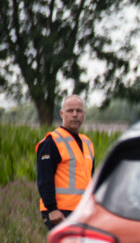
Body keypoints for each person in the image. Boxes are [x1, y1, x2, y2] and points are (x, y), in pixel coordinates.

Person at [36, 95, 96, 228]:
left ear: (84, 114)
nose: (75, 115)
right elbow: (44, 179)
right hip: (60, 213)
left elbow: (90, 179)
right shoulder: (51, 142)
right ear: (62, 114)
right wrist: (52, 209)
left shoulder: (87, 143)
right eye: (70, 111)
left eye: (79, 111)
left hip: (83, 211)